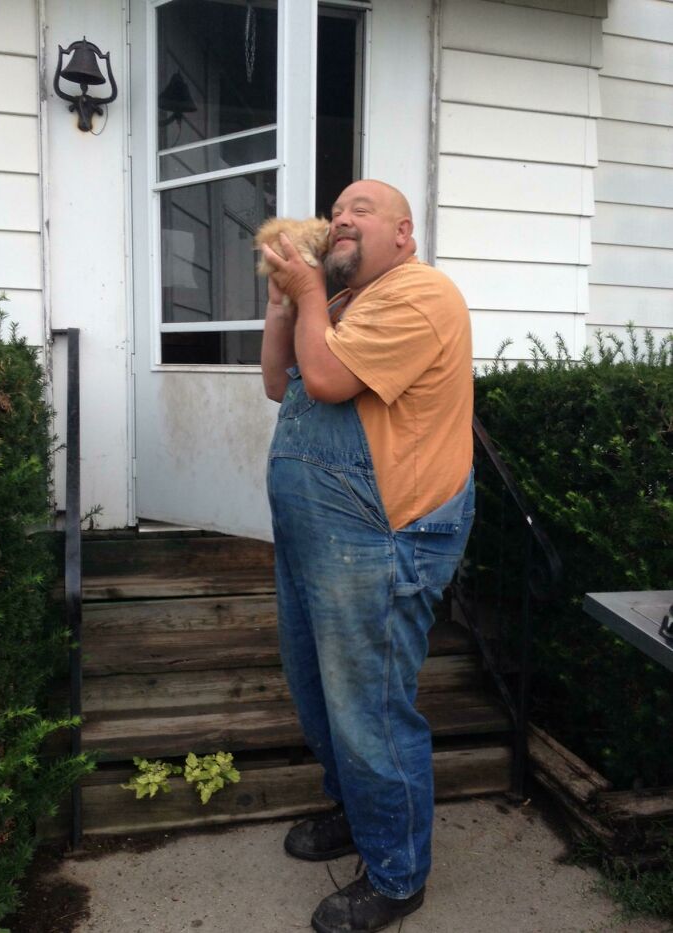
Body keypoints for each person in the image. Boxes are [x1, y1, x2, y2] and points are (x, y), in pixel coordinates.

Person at [260, 180, 474, 933]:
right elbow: (276, 379)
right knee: (319, 693)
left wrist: (311, 288)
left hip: (380, 540)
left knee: (371, 713)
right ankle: (358, 814)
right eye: (336, 211)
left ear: (404, 234)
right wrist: (288, 299)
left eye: (362, 209)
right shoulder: (348, 305)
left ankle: (397, 872)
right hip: (317, 537)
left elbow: (324, 379)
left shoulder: (421, 294)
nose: (340, 217)